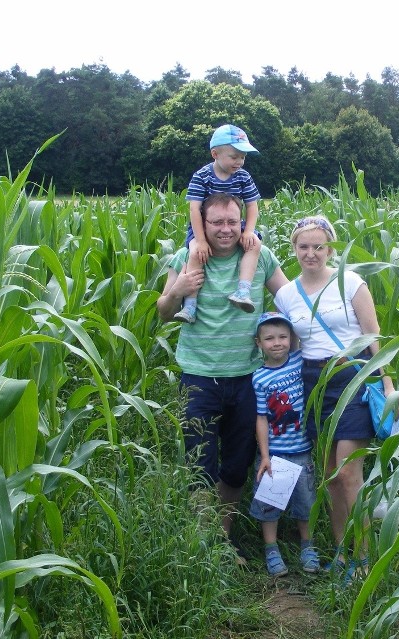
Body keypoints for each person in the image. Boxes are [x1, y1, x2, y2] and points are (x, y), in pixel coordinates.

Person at [157, 193, 289, 550]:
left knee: (236, 463)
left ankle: (224, 537)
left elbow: (291, 300)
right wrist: (178, 291)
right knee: (200, 462)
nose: (227, 229)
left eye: (233, 221)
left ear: (242, 222)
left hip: (248, 378)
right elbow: (163, 311)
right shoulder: (186, 257)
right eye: (217, 223)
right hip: (199, 376)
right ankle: (206, 547)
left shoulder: (259, 256)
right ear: (203, 224)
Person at [273, 215, 398, 582]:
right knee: (328, 474)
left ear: (330, 248)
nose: (311, 254)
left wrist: (388, 384)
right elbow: (289, 345)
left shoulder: (351, 283)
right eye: (303, 247)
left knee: (348, 472)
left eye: (318, 247)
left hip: (354, 377)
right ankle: (343, 552)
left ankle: (363, 557)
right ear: (294, 249)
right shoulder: (286, 294)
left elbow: (375, 336)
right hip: (312, 382)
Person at [249, 311, 320, 577]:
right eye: (269, 338)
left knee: (307, 501)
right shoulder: (259, 378)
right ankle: (271, 549)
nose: (277, 342)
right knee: (270, 503)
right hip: (275, 453)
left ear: (292, 338)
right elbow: (261, 418)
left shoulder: (299, 361)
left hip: (302, 450)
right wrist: (265, 455)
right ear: (259, 343)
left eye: (283, 336)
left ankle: (308, 546)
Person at [174, 124, 263, 323]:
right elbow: (194, 210)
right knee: (196, 251)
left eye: (243, 157)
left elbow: (252, 206)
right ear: (215, 153)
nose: (239, 161)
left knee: (255, 244)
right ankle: (189, 306)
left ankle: (243, 290)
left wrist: (248, 231)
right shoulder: (202, 176)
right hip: (205, 227)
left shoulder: (243, 176)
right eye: (234, 156)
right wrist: (201, 240)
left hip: (234, 225)